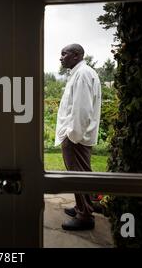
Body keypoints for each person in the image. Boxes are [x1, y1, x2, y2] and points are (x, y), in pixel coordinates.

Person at [55, 44, 102, 231]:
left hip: (77, 137)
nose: (61, 57)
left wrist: (71, 136)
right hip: (79, 135)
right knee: (82, 173)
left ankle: (85, 216)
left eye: (64, 53)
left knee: (78, 175)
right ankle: (82, 206)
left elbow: (82, 110)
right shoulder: (81, 72)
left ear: (76, 55)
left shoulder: (82, 74)